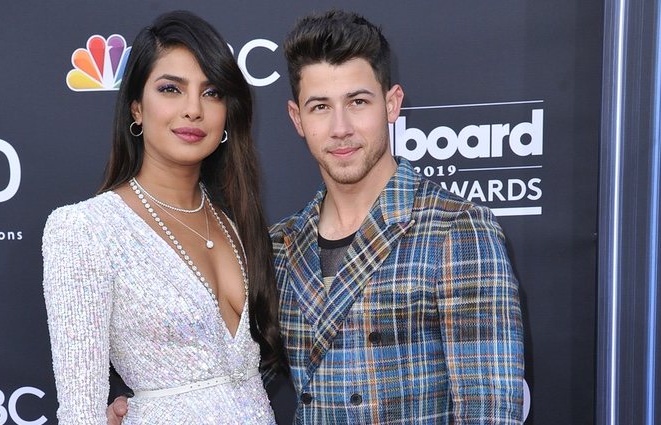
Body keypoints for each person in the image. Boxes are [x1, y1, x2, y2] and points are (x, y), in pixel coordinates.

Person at [109, 9, 524, 424]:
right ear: (297, 119)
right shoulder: (278, 246)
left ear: (392, 104)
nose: (340, 127)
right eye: (320, 106)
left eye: (358, 102)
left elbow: (488, 411)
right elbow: (229, 374)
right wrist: (144, 405)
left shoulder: (458, 230)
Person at [42, 10, 284, 424]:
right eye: (171, 89)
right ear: (136, 108)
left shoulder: (238, 222)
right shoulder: (86, 230)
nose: (193, 109)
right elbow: (81, 412)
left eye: (211, 93)